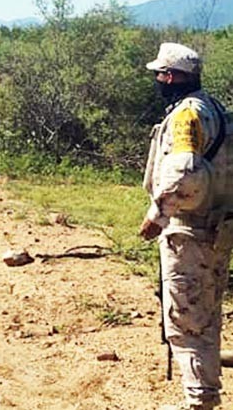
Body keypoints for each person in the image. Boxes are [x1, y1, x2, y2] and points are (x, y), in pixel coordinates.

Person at [140, 42, 233, 410]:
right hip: (218, 228)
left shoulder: (187, 116)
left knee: (185, 320)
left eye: (161, 75)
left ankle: (198, 401)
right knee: (206, 316)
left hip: (188, 231)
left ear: (171, 76)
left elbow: (184, 171)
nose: (159, 81)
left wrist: (158, 214)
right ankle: (205, 394)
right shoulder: (216, 110)